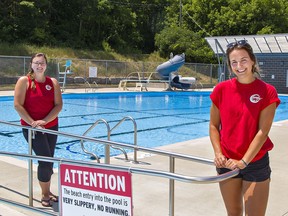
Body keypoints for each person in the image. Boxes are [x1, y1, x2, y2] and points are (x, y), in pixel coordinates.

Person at [209, 40, 280, 216]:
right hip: (227, 161)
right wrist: (218, 153)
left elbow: (262, 132)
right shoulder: (221, 90)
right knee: (233, 213)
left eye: (243, 60)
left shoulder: (267, 91)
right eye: (234, 62)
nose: (239, 66)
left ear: (252, 61)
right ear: (230, 65)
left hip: (255, 162)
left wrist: (244, 161)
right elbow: (213, 125)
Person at [14, 53, 63, 207]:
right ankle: (45, 194)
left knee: (50, 159)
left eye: (42, 63)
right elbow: (17, 105)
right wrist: (33, 123)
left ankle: (48, 191)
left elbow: (58, 105)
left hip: (51, 127)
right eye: (36, 63)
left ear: (46, 65)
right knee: (45, 161)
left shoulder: (52, 82)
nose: (39, 66)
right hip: (32, 129)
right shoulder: (24, 81)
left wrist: (45, 121)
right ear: (31, 65)